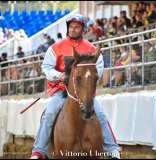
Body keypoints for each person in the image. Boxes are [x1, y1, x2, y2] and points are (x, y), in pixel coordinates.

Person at [31, 14, 121, 159]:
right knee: (49, 114)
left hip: (84, 92)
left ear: (83, 29)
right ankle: (38, 151)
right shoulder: (55, 47)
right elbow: (46, 67)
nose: (73, 30)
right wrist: (59, 76)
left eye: (77, 27)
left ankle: (112, 150)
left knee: (101, 114)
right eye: (71, 27)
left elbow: (98, 68)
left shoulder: (91, 48)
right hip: (61, 91)